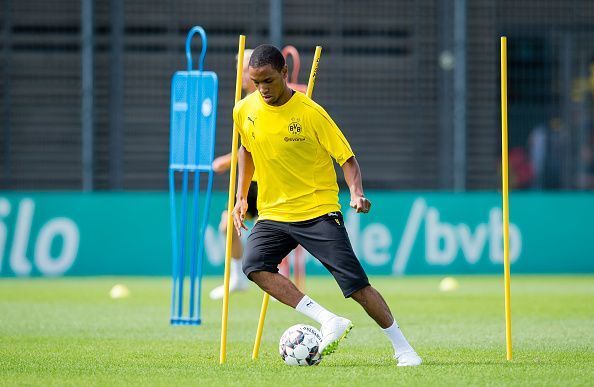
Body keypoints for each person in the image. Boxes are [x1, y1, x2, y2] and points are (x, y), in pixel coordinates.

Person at [231, 44, 422, 366]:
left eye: (268, 81)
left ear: (285, 74)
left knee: (356, 286)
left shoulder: (311, 113)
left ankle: (404, 348)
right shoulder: (242, 109)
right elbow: (245, 151)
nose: (262, 88)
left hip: (317, 211)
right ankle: (328, 319)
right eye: (255, 81)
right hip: (274, 212)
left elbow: (346, 157)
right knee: (254, 266)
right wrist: (239, 198)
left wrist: (356, 192)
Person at [209, 49, 256, 300]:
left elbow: (258, 148)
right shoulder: (243, 102)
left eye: (245, 66)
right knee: (227, 225)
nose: (240, 73)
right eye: (239, 66)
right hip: (248, 182)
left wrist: (227, 161)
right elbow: (245, 147)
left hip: (270, 180)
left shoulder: (264, 100)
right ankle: (237, 279)